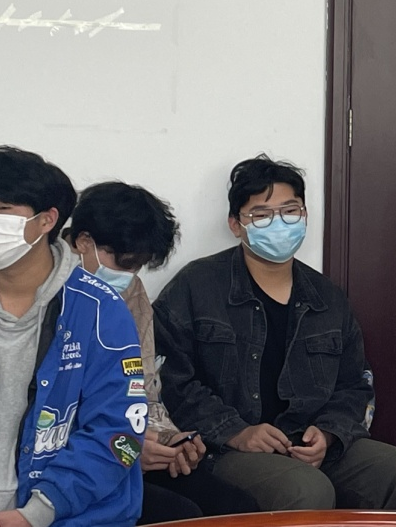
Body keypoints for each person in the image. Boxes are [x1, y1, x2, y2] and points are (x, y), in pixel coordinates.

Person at [152, 155, 396, 511]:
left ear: (305, 215)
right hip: (224, 447)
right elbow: (169, 378)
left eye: (290, 211)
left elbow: (355, 384)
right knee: (305, 489)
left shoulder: (327, 298)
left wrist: (328, 433)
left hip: (310, 444)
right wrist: (236, 431)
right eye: (261, 215)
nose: (278, 223)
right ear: (236, 225)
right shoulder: (196, 286)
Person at [0, 146, 145, 527]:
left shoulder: (101, 311)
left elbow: (116, 428)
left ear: (47, 220)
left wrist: (37, 513)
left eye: (3, 209)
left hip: (67, 515)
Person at [65, 181, 258, 524]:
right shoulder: (47, 294)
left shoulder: (131, 293)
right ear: (83, 242)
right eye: (123, 262)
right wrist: (125, 447)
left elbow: (143, 388)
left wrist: (170, 439)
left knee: (237, 508)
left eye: (138, 266)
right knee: (180, 515)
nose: (128, 275)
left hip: (125, 447)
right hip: (69, 458)